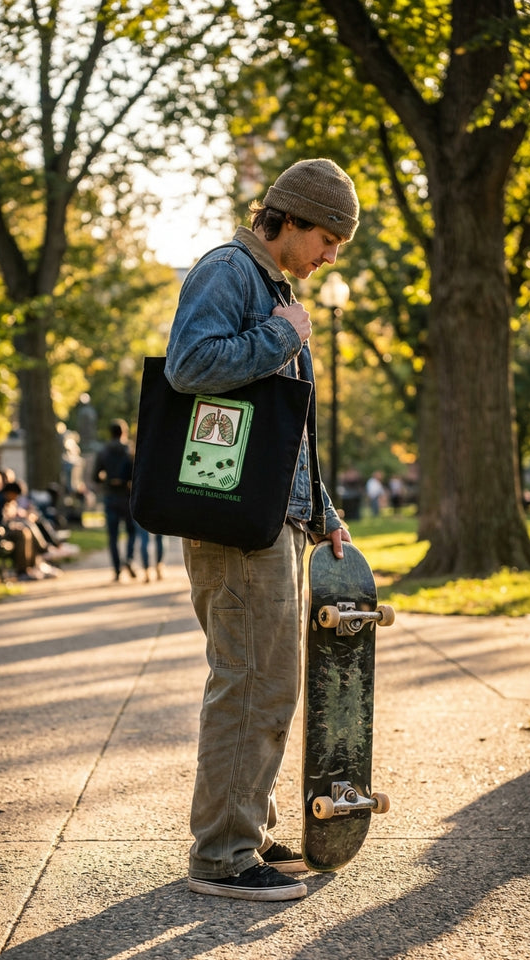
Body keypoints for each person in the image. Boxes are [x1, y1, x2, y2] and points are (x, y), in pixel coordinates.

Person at [165, 158, 359, 902]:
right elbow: (189, 365)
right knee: (247, 679)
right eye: (328, 238)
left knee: (269, 681)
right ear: (291, 217)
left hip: (268, 516)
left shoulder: (274, 290)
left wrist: (322, 513)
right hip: (232, 520)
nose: (331, 255)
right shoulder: (228, 271)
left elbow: (285, 428)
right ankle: (221, 853)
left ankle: (246, 825)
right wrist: (280, 337)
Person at [93, 420, 136, 582]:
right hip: (127, 495)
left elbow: (95, 476)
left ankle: (117, 569)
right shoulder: (130, 450)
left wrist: (106, 479)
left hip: (110, 495)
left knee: (113, 535)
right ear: (123, 433)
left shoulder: (102, 452)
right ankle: (129, 558)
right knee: (131, 531)